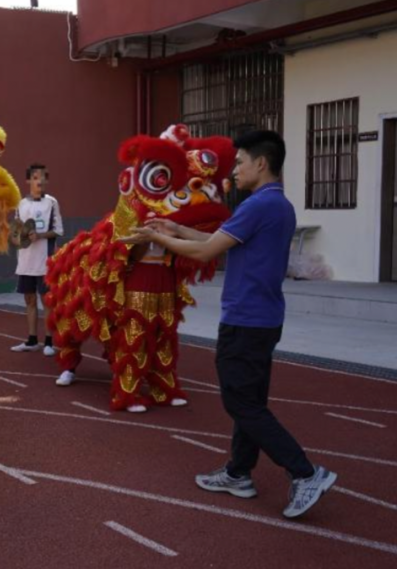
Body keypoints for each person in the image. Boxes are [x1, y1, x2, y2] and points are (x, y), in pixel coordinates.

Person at [123, 130, 337, 519]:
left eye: (239, 162)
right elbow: (218, 240)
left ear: (261, 163)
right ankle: (239, 472)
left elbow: (206, 251)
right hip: (262, 318)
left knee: (241, 402)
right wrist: (173, 230)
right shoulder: (275, 205)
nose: (233, 170)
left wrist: (160, 238)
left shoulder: (259, 206)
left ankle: (305, 473)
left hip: (248, 319)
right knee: (249, 401)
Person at [10, 164, 62, 355]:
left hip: (44, 262)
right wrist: (17, 239)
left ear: (46, 180)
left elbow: (58, 230)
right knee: (29, 300)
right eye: (35, 177)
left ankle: (48, 342)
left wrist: (39, 235)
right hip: (25, 261)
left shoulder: (52, 203)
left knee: (46, 301)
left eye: (42, 177)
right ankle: (32, 340)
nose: (39, 181)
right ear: (28, 181)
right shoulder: (21, 204)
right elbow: (15, 231)